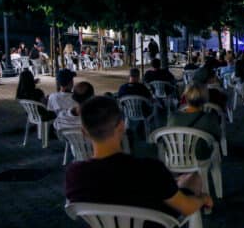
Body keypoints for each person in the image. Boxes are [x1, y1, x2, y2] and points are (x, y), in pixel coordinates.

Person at [65, 96, 213, 225]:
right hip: (156, 222)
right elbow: (187, 208)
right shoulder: (150, 170)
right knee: (192, 178)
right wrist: (203, 199)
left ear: (84, 132)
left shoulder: (74, 175)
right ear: (122, 126)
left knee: (177, 182)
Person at [167, 83, 221, 160]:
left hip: (177, 157)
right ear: (205, 98)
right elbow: (217, 137)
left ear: (186, 97)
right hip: (200, 156)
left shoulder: (173, 117)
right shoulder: (210, 118)